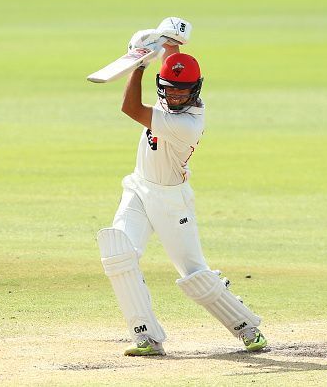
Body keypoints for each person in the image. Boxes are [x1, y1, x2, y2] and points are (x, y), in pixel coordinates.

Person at [97, 19, 267, 356]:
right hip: (138, 188)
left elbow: (129, 108)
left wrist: (138, 64)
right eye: (170, 88)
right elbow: (172, 57)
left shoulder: (185, 123)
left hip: (171, 200)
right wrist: (167, 38)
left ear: (195, 89)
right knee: (118, 253)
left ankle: (247, 327)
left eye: (182, 90)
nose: (175, 95)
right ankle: (146, 335)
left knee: (193, 275)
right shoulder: (171, 89)